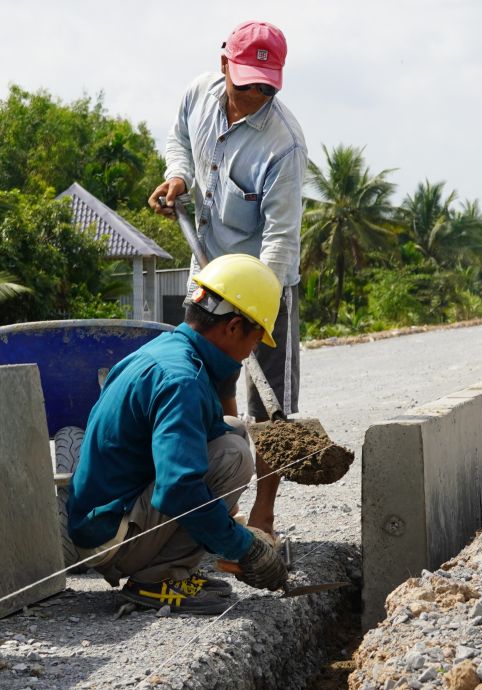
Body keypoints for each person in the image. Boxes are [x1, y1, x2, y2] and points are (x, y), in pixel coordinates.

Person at [148, 21, 308, 536]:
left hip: (266, 285)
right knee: (204, 385)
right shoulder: (198, 94)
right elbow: (178, 138)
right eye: (247, 85)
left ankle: (263, 516)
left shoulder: (284, 145)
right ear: (224, 67)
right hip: (208, 275)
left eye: (268, 87)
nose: (257, 96)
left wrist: (255, 309)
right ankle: (223, 509)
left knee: (268, 406)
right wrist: (178, 176)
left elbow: (280, 239)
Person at [67, 254, 290, 615]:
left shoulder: (167, 352)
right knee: (233, 455)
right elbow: (178, 489)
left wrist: (227, 528)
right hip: (112, 538)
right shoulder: (182, 381)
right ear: (233, 327)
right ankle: (157, 579)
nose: (253, 351)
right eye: (255, 339)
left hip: (104, 520)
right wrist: (245, 549)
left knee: (230, 430)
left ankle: (169, 566)